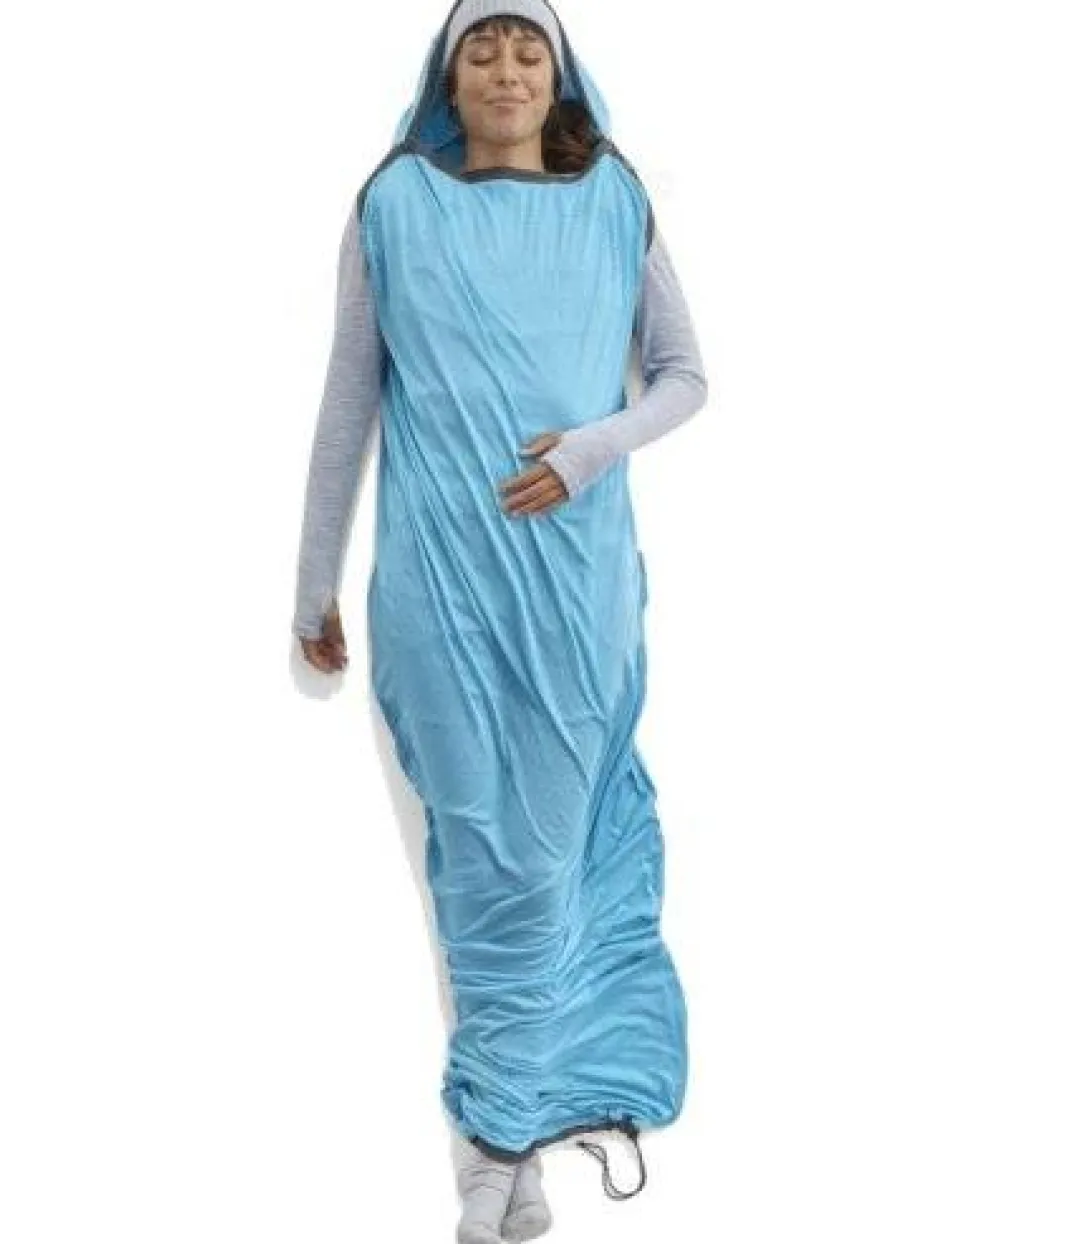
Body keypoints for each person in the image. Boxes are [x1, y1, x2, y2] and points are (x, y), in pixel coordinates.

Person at [291, 3, 707, 1239]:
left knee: (552, 857)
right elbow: (347, 404)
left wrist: (590, 449)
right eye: (483, 49)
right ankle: (497, 1149)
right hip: (438, 592)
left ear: (559, 78)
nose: (508, 68)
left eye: (530, 51)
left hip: (578, 595)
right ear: (448, 76)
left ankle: (503, 1136)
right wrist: (312, 583)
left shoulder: (613, 198)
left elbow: (684, 375)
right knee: (485, 860)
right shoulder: (394, 204)